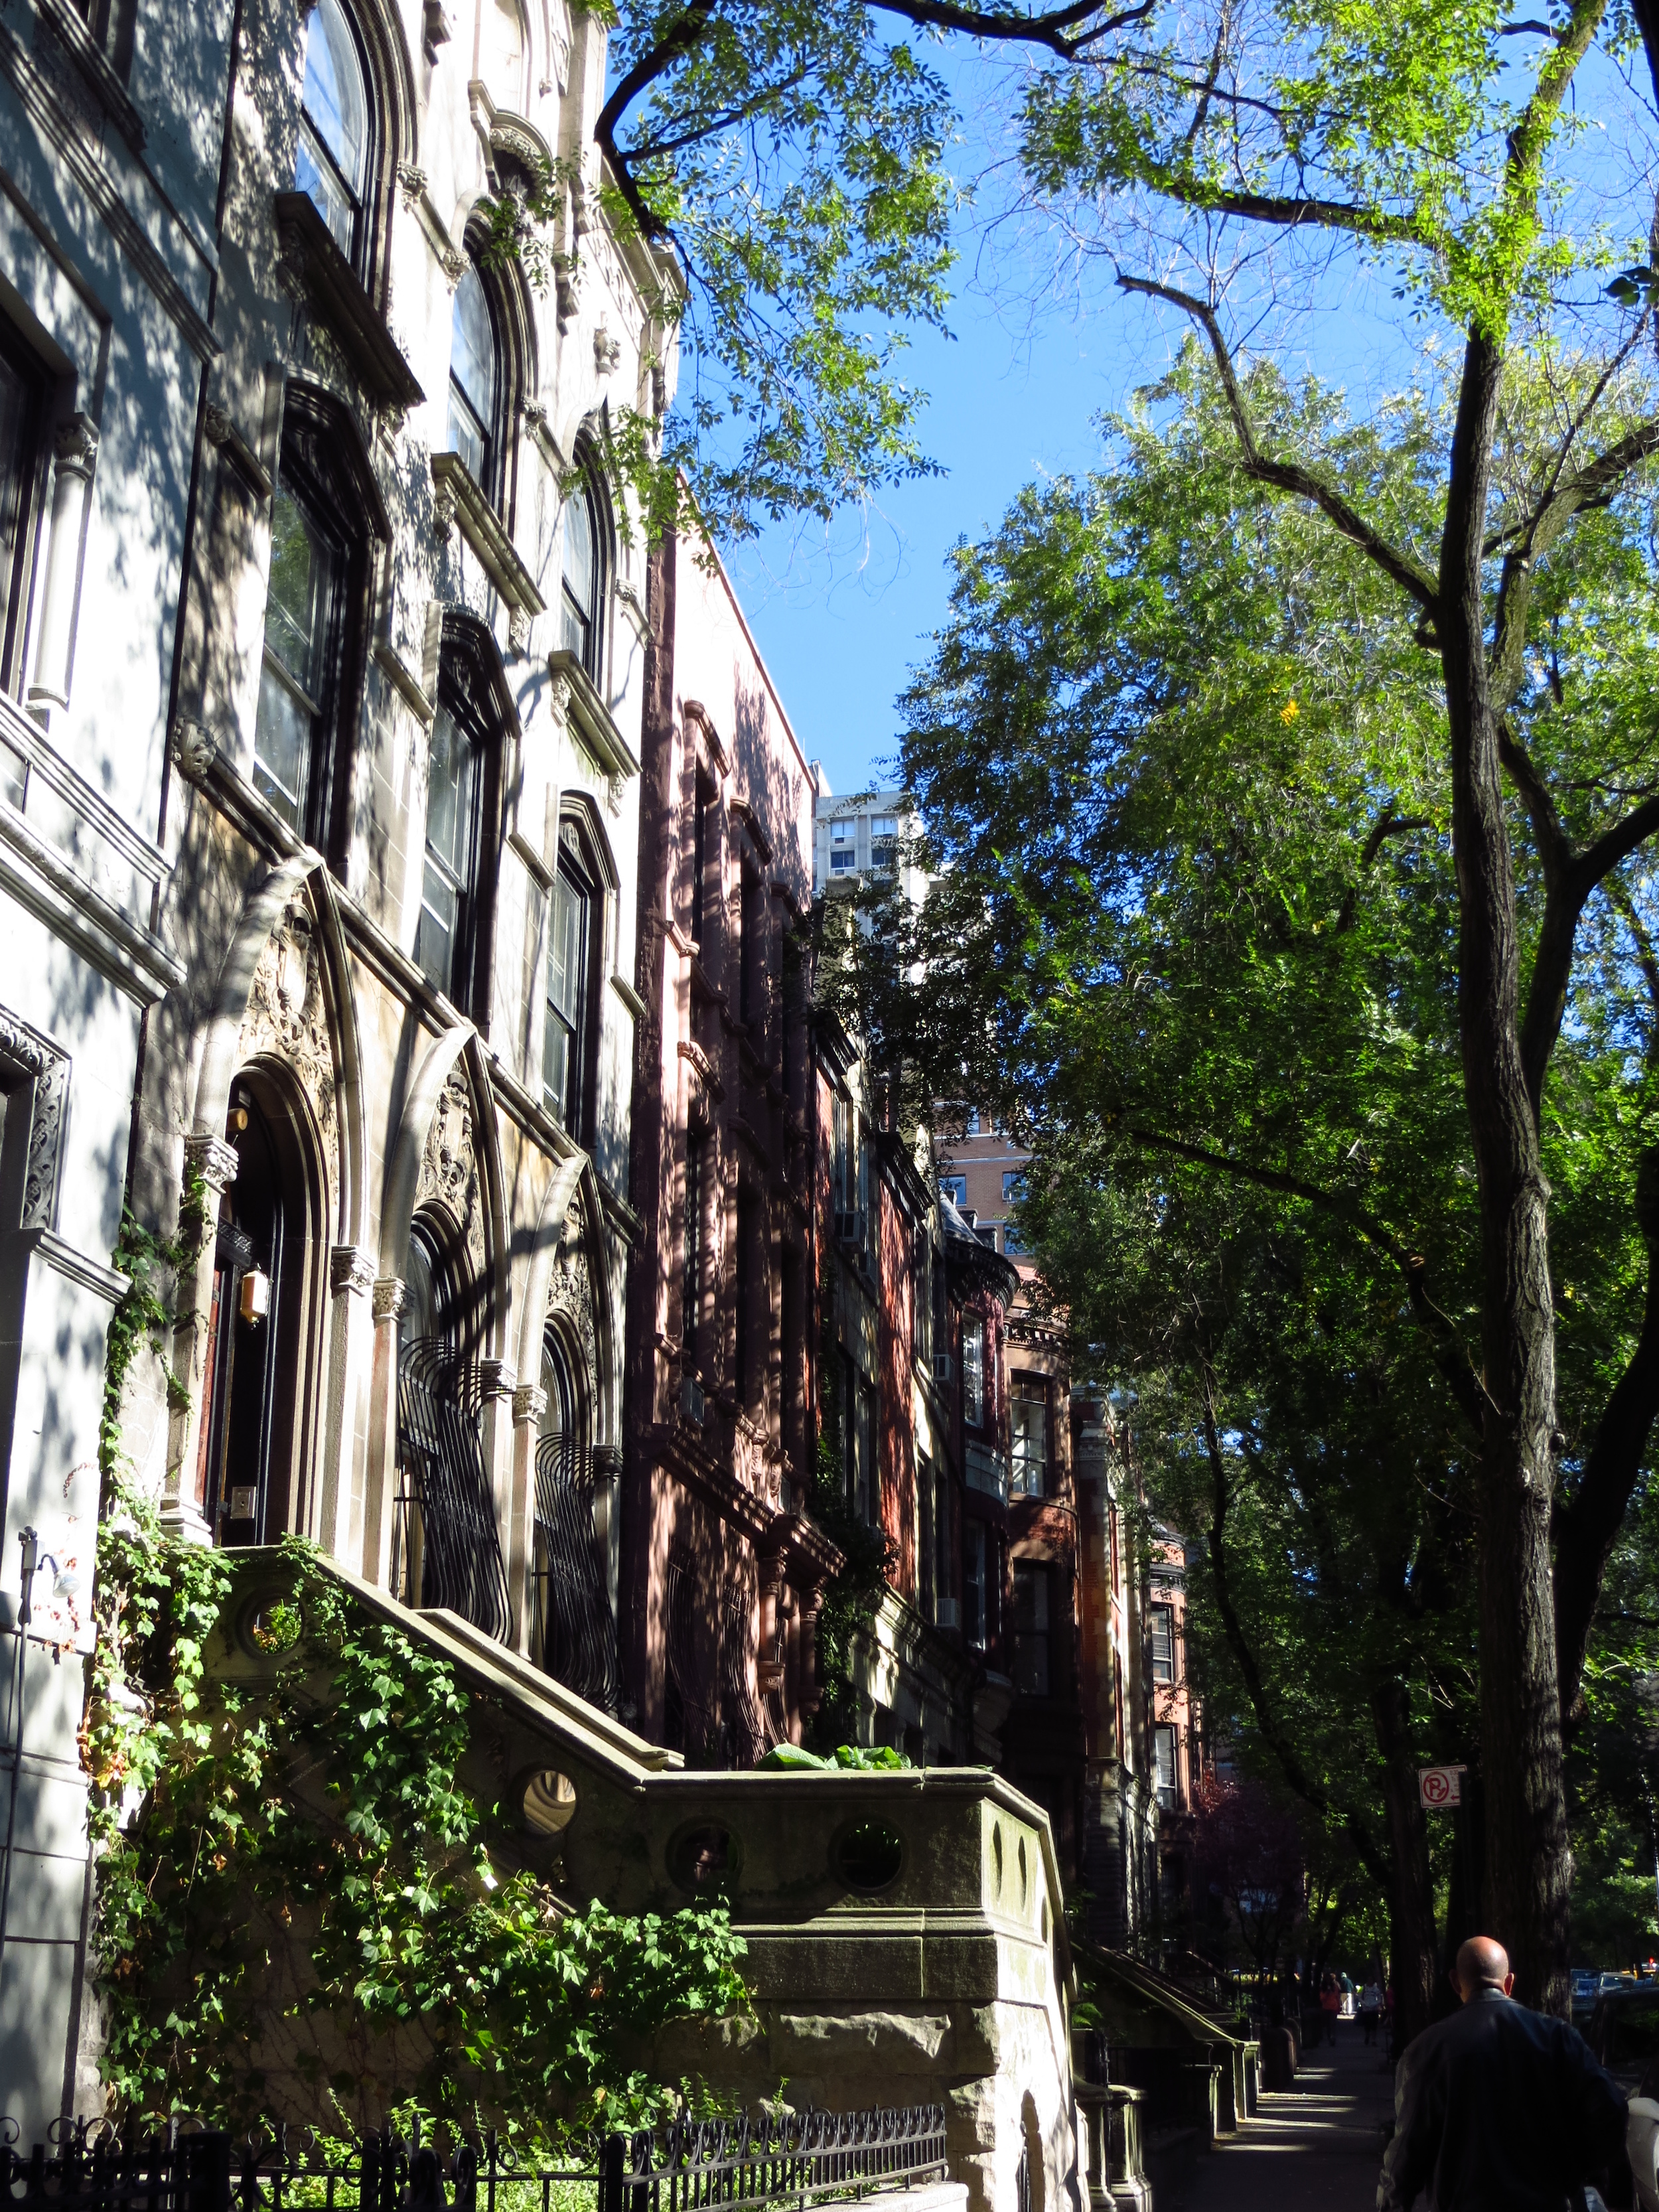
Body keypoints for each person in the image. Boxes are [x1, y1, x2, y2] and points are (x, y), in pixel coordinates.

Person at [1377, 1936, 1626, 2212]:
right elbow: (1612, 2111)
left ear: (1455, 1982)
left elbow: (1405, 2154)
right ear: (1509, 1983)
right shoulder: (1559, 2039)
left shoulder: (1425, 2052)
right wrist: (1574, 2169)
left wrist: (1392, 2204)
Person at [1321, 1972, 1342, 2046]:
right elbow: (1322, 1998)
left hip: (1333, 2007)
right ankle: (1330, 2037)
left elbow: (1337, 1997)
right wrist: (1327, 1992)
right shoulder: (1323, 1987)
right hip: (1326, 2007)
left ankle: (1333, 2037)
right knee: (1328, 2025)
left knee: (1333, 2023)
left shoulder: (1335, 1987)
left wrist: (1339, 2006)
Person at [1360, 1977, 1384, 2046]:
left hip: (1374, 2009)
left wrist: (1375, 2004)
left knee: (1374, 2025)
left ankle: (1373, 2040)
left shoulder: (1376, 1990)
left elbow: (1380, 1999)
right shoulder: (1363, 1988)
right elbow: (1358, 1996)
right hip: (1366, 2009)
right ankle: (1367, 2036)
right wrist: (1364, 2003)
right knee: (1367, 2025)